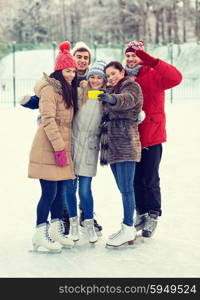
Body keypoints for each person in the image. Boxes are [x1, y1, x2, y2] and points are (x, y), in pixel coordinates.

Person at [20, 41, 103, 236]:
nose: (81, 61)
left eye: (85, 58)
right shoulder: (58, 80)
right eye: (79, 57)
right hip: (61, 137)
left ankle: (83, 216)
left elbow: (90, 94)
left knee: (79, 184)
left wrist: (105, 95)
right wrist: (32, 102)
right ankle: (64, 218)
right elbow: (47, 96)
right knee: (62, 186)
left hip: (79, 140)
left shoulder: (89, 80)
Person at [124, 40, 183, 237]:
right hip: (130, 137)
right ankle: (140, 213)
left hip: (152, 135)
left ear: (142, 57)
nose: (131, 59)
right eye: (129, 55)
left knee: (149, 178)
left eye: (135, 55)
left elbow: (176, 78)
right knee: (134, 179)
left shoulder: (155, 73)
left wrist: (149, 59)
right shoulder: (124, 77)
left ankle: (153, 214)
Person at [29, 41, 79, 252]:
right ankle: (40, 233)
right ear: (59, 70)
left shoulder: (67, 89)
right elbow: (48, 120)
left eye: (73, 71)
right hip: (48, 147)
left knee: (60, 193)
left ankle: (57, 230)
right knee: (48, 193)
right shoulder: (50, 89)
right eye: (68, 70)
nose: (71, 74)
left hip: (61, 146)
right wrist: (59, 148)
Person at [97, 61, 143, 247]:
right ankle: (127, 227)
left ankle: (128, 227)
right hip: (113, 147)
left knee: (126, 189)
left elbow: (127, 100)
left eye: (114, 73)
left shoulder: (130, 85)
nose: (111, 77)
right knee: (122, 189)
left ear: (122, 71)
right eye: (108, 75)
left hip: (126, 144)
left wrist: (112, 99)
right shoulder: (110, 89)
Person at [65, 60, 107, 243]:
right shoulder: (79, 92)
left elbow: (122, 109)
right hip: (72, 145)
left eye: (99, 78)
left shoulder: (106, 98)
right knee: (69, 188)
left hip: (90, 148)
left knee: (84, 190)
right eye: (93, 77)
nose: (96, 81)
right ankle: (73, 223)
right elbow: (60, 103)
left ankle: (88, 224)